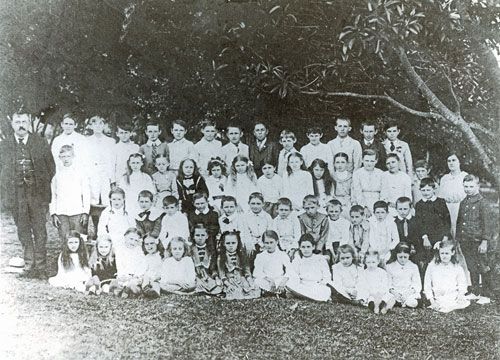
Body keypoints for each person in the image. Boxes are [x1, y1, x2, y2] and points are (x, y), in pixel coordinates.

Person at [0, 113, 56, 278]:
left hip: (37, 195)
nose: (21, 125)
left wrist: (39, 184)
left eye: (24, 121)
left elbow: (51, 168)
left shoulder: (40, 142)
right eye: (17, 122)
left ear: (29, 123)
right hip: (16, 195)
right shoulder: (5, 145)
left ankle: (40, 267)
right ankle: (29, 265)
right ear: (12, 125)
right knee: (23, 230)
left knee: (40, 230)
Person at [456, 174, 490, 296]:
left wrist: (484, 241)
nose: (468, 189)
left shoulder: (482, 202)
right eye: (465, 186)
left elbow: (486, 224)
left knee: (482, 266)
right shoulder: (463, 202)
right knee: (471, 266)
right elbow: (459, 222)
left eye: (471, 186)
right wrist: (458, 239)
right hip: (466, 240)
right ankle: (475, 292)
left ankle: (486, 294)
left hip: (478, 240)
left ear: (477, 186)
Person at [49, 145, 90, 243]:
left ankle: (81, 258)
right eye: (63, 157)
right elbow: (53, 195)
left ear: (73, 156)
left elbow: (86, 193)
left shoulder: (80, 173)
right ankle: (65, 258)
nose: (66, 159)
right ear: (59, 158)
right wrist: (53, 213)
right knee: (65, 239)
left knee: (80, 239)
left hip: (77, 212)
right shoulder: (56, 175)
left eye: (68, 156)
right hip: (61, 213)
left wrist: (85, 212)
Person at [86, 116, 116, 233]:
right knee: (93, 203)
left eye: (100, 123)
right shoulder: (87, 141)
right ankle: (95, 228)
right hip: (92, 175)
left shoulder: (110, 141)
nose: (98, 126)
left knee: (106, 202)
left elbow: (112, 161)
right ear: (91, 126)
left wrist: (112, 180)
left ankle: (105, 230)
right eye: (95, 124)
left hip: (105, 175)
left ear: (104, 126)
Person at [414, 177, 451, 270]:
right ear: (420, 190)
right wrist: (425, 238)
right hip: (426, 239)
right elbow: (419, 223)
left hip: (440, 237)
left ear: (433, 189)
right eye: (423, 190)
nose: (426, 193)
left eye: (428, 190)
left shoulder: (441, 202)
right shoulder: (419, 205)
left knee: (440, 261)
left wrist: (445, 237)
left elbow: (447, 221)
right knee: (427, 262)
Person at [424, 240, 470, 313]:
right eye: (442, 253)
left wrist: (460, 296)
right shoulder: (432, 266)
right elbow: (427, 285)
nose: (444, 256)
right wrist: (432, 301)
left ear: (452, 253)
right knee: (441, 305)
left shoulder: (457, 267)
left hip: (453, 296)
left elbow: (462, 283)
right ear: (439, 253)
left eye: (447, 253)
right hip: (438, 297)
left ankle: (454, 305)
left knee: (463, 303)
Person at [286, 234, 332, 302]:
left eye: (308, 247)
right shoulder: (298, 260)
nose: (306, 249)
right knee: (289, 284)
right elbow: (293, 275)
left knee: (326, 290)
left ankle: (302, 296)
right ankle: (312, 297)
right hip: (303, 285)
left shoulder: (320, 259)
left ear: (313, 247)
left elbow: (327, 276)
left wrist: (322, 284)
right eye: (303, 247)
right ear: (300, 247)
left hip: (317, 286)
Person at [218, 230, 260, 300]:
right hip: (229, 281)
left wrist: (250, 280)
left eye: (233, 243)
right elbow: (222, 275)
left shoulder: (241, 255)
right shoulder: (221, 257)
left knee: (253, 289)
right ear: (224, 244)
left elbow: (247, 271)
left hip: (241, 279)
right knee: (233, 292)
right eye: (228, 243)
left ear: (238, 243)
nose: (231, 245)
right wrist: (228, 285)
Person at [438, 151, 468, 238]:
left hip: (460, 208)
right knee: (447, 232)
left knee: (458, 232)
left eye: (454, 160)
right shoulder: (444, 178)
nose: (451, 163)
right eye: (449, 161)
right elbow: (441, 196)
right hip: (447, 209)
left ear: (459, 162)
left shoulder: (464, 176)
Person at [110, 228, 147, 297]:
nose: (133, 242)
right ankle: (126, 290)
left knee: (134, 283)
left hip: (135, 276)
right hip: (124, 276)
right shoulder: (120, 250)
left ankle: (129, 290)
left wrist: (136, 275)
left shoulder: (139, 250)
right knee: (119, 282)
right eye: (131, 239)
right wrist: (124, 275)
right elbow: (119, 265)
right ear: (125, 237)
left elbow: (142, 265)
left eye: (136, 240)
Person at [253, 230, 291, 296]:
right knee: (257, 281)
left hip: (279, 279)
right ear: (263, 243)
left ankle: (278, 290)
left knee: (291, 280)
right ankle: (272, 292)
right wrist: (270, 280)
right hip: (267, 281)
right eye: (266, 243)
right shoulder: (260, 256)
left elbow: (290, 270)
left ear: (277, 242)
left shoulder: (282, 254)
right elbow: (257, 272)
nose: (269, 245)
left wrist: (283, 282)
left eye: (271, 242)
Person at [117, 153, 155, 217]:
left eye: (137, 163)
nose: (135, 165)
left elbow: (151, 193)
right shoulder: (124, 178)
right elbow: (121, 195)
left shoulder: (146, 177)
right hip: (129, 206)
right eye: (133, 163)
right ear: (129, 164)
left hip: (143, 206)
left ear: (142, 163)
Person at [386, 242, 421, 308]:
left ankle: (401, 303)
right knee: (388, 298)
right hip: (395, 292)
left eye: (405, 257)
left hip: (408, 292)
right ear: (396, 255)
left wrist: (408, 293)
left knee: (413, 303)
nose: (403, 259)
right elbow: (388, 283)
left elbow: (417, 284)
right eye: (400, 257)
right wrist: (394, 292)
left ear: (409, 255)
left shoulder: (413, 266)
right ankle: (398, 302)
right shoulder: (390, 266)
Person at [190, 224, 222, 295]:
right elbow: (189, 268)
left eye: (202, 235)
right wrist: (196, 278)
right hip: (194, 276)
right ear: (193, 237)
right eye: (197, 235)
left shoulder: (210, 250)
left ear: (207, 236)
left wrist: (216, 277)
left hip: (207, 276)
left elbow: (212, 267)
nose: (200, 238)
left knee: (217, 286)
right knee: (191, 284)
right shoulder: (190, 250)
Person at [351, 149, 384, 216]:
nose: (369, 163)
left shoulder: (381, 173)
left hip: (378, 202)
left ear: (376, 161)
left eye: (372, 161)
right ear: (362, 160)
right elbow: (357, 192)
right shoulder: (357, 174)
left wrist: (379, 207)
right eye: (366, 161)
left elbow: (384, 192)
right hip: (362, 202)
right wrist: (364, 207)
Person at [242, 192, 272, 261]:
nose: (255, 206)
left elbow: (269, 232)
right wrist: (250, 244)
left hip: (264, 243)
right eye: (253, 203)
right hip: (251, 242)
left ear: (263, 204)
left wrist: (264, 244)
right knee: (248, 255)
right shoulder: (245, 217)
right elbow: (245, 232)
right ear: (248, 203)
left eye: (258, 204)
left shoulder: (267, 217)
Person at [331, 152, 352, 218]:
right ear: (334, 164)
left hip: (348, 202)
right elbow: (331, 193)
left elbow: (353, 192)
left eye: (343, 162)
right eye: (337, 162)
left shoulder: (351, 176)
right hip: (335, 202)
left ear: (347, 164)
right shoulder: (331, 176)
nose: (340, 165)